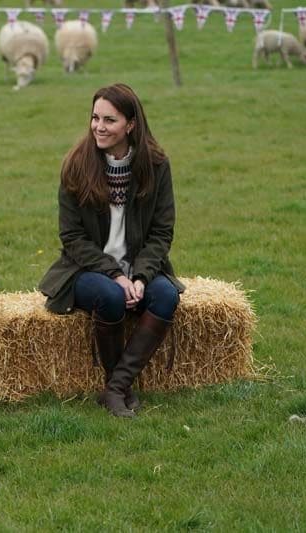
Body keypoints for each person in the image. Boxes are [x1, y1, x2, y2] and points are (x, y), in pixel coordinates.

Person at [39, 83, 185, 418]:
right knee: (110, 297)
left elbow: (162, 232)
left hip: (141, 267)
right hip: (86, 269)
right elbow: (72, 237)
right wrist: (116, 274)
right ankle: (117, 387)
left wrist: (142, 276)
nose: (99, 127)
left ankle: (115, 388)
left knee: (166, 296)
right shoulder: (76, 165)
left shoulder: (156, 165)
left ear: (130, 125)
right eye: (94, 118)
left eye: (109, 120)